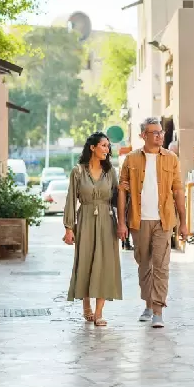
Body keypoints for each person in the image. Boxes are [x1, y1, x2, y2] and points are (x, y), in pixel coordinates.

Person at [117, 117, 189, 328]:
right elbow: (122, 192)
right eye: (154, 133)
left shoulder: (171, 158)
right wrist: (121, 222)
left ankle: (157, 310)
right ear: (143, 136)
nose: (159, 136)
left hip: (163, 220)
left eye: (161, 132)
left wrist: (183, 223)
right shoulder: (131, 160)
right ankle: (148, 304)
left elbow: (178, 191)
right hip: (138, 220)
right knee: (144, 265)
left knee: (161, 265)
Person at [63, 132, 123, 327]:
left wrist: (123, 222)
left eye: (108, 146)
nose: (107, 149)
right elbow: (71, 199)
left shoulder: (111, 172)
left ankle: (99, 313)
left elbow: (118, 199)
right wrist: (69, 228)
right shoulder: (78, 172)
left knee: (105, 264)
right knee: (86, 262)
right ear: (92, 147)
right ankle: (86, 304)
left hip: (107, 220)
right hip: (86, 219)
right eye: (103, 145)